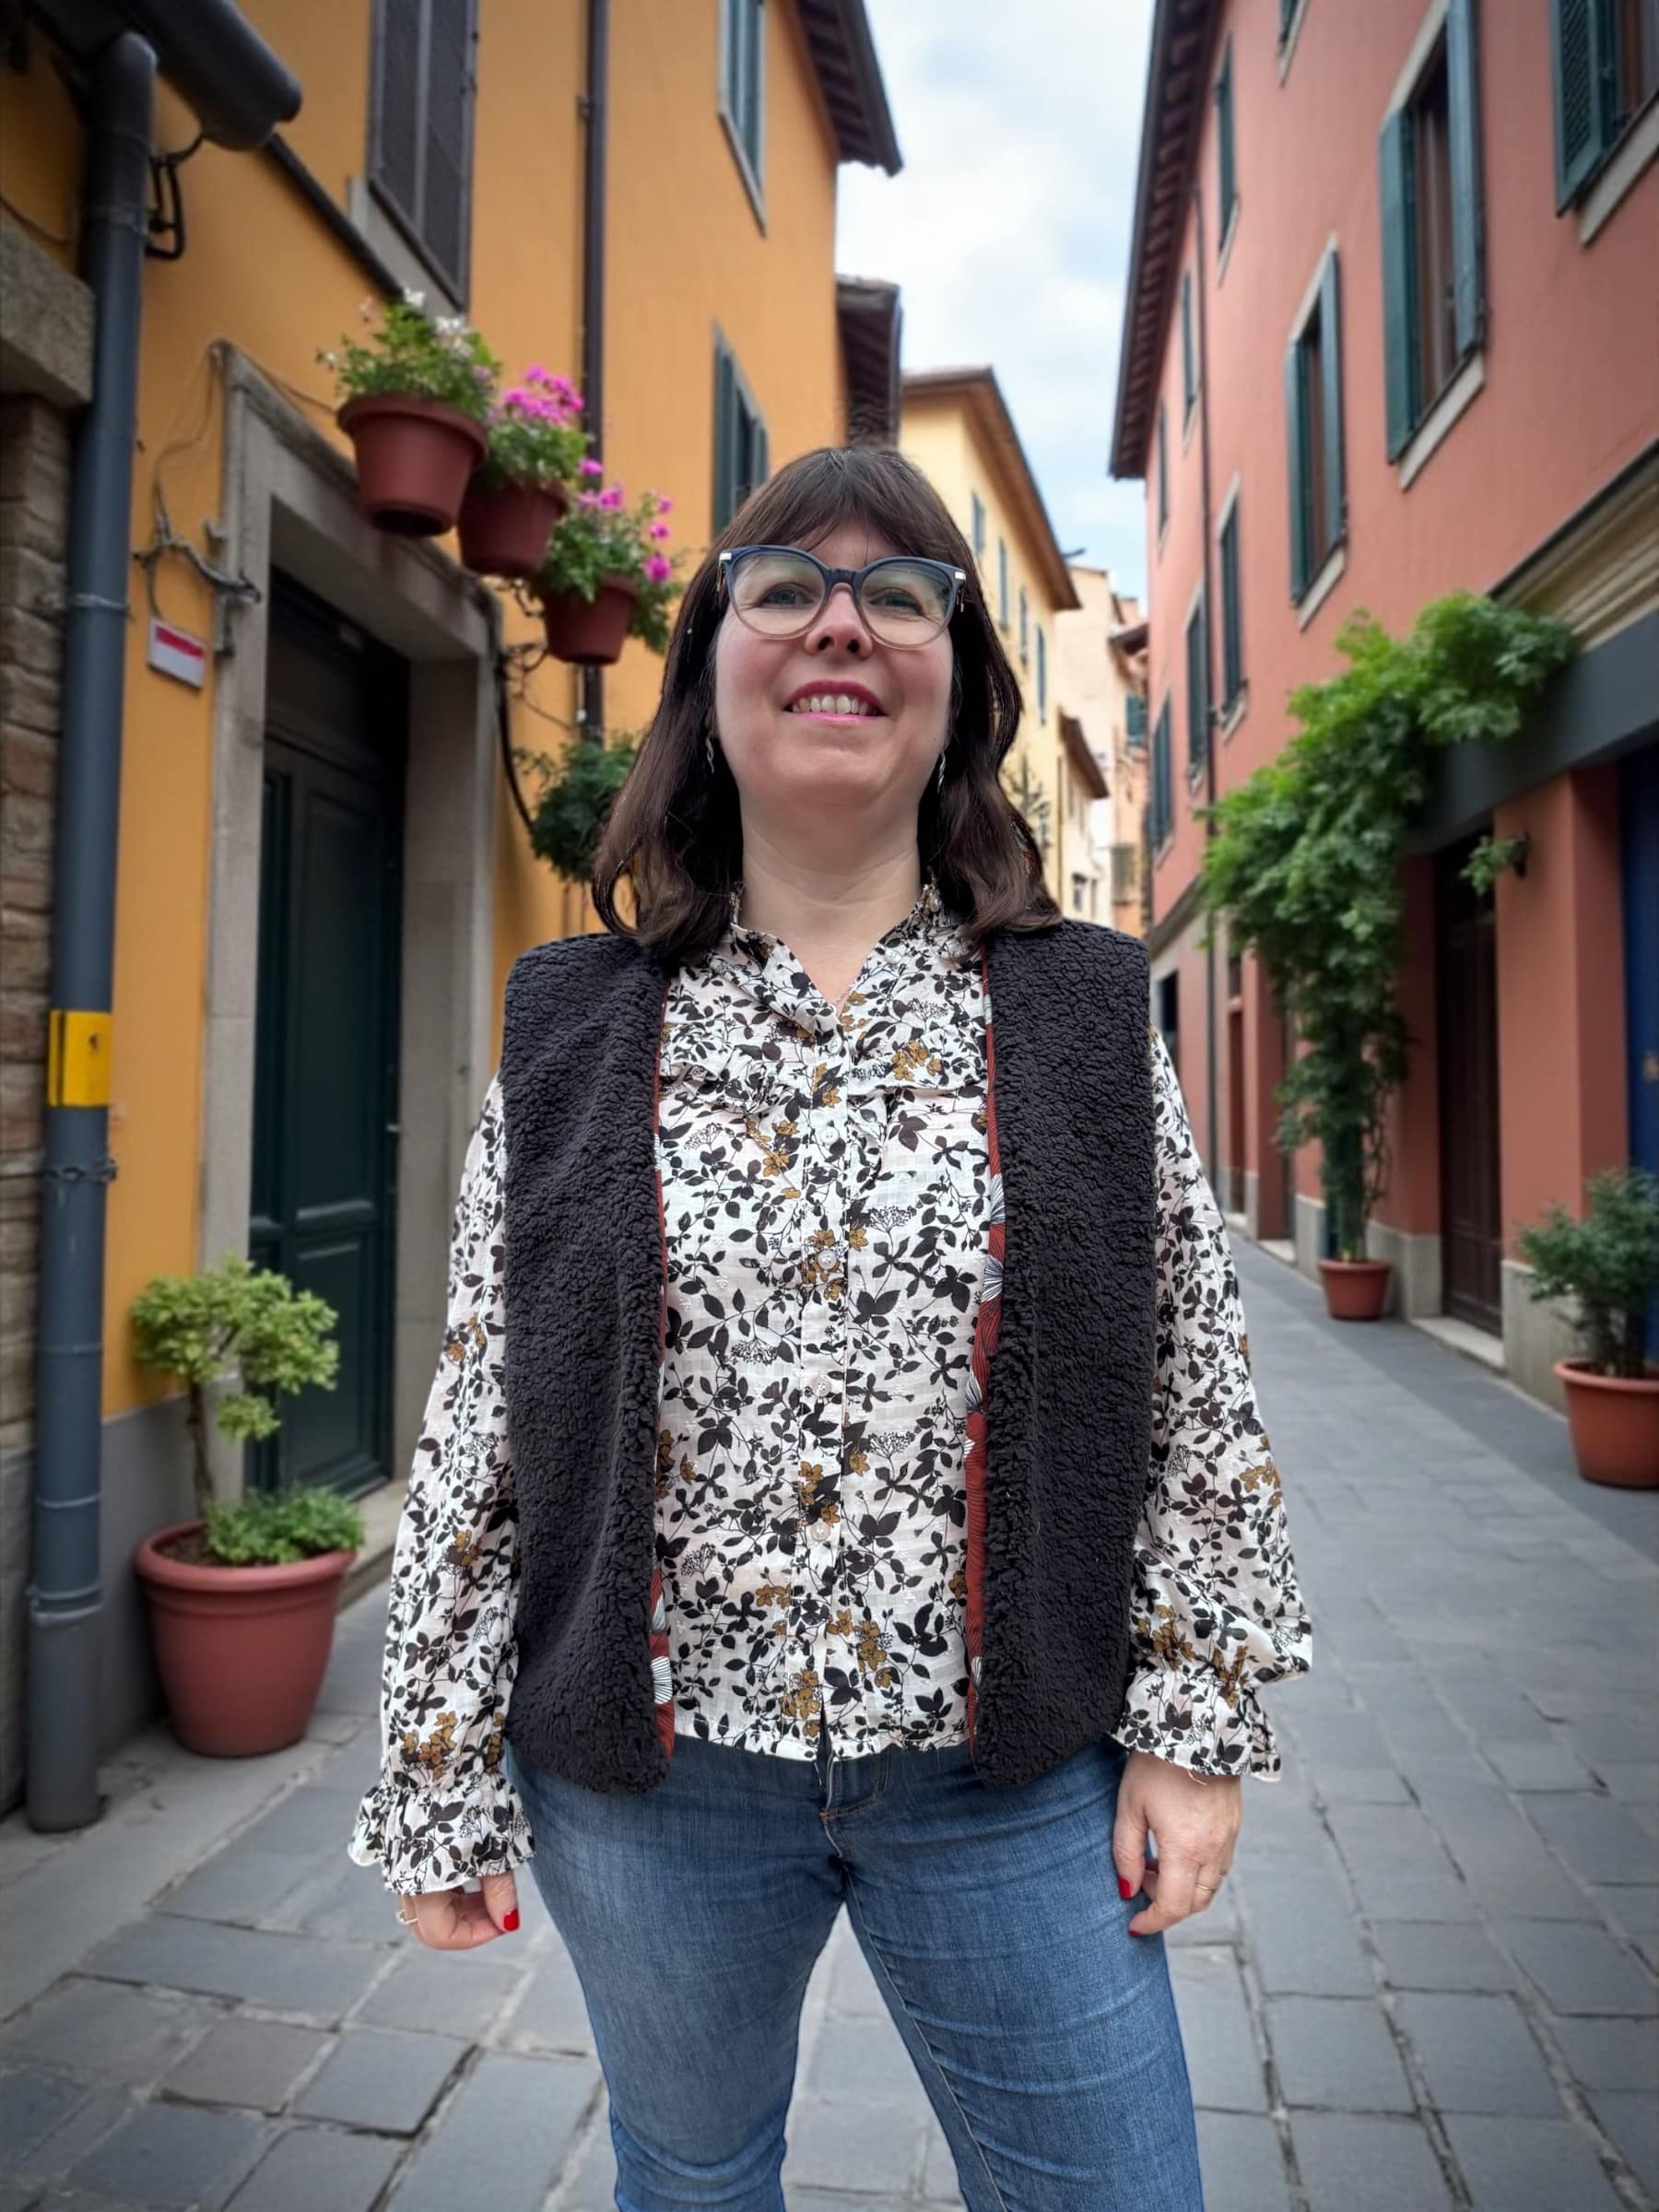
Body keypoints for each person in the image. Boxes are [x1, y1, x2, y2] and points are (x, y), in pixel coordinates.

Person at [348, 444, 1312, 2211]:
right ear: (709, 670)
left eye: (901, 593)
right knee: (693, 2179)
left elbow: (1194, 1388)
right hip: (654, 1796)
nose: (840, 626)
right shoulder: (576, 1022)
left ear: (962, 686)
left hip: (1010, 1775)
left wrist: (1194, 1726)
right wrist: (433, 1775)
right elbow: (485, 1411)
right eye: (783, 588)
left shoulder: (1086, 1012)